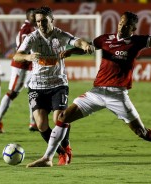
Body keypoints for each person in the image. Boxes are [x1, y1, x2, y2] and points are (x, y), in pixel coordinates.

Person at [26, 12, 151, 167]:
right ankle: (47, 157)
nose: (122, 27)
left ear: (133, 29)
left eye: (127, 25)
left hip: (118, 95)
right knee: (63, 118)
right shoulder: (105, 39)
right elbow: (89, 46)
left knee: (141, 132)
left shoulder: (137, 42)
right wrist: (72, 51)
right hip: (96, 93)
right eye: (121, 23)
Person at [13, 6, 94, 166]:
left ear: (52, 20)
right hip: (37, 85)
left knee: (60, 119)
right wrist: (28, 56)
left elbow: (76, 41)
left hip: (58, 84)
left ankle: (66, 146)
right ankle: (61, 152)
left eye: (44, 21)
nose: (41, 24)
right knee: (41, 124)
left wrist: (84, 45)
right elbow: (17, 56)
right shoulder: (32, 37)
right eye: (38, 22)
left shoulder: (60, 35)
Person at [0, 8, 37, 133]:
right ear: (28, 16)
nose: (36, 17)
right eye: (33, 15)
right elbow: (24, 48)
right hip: (20, 65)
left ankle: (33, 122)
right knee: (12, 93)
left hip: (29, 65)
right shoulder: (27, 28)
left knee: (34, 91)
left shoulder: (32, 28)